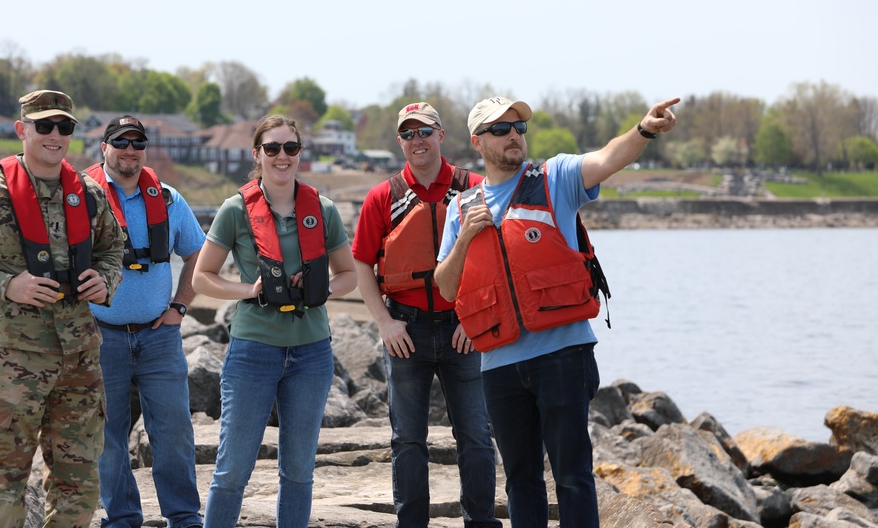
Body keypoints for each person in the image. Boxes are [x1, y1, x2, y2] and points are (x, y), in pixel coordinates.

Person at [434, 96, 679, 527]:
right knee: (521, 481)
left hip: (563, 356)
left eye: (519, 128)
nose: (514, 135)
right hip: (500, 365)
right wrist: (464, 239)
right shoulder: (460, 208)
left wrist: (643, 130)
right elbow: (446, 286)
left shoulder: (555, 177)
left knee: (571, 476)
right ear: (478, 142)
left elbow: (607, 158)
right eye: (500, 129)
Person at [0, 90, 125, 528]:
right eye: (44, 126)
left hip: (79, 359)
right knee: (5, 479)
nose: (55, 135)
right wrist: (5, 284)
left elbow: (114, 249)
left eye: (65, 127)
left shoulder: (90, 193)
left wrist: (105, 279)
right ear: (22, 130)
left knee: (78, 482)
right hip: (14, 356)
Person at [191, 114, 358, 528]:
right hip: (253, 350)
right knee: (232, 470)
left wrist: (318, 290)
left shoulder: (324, 209)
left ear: (300, 153)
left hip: (312, 353)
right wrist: (252, 288)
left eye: (291, 148)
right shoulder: (234, 210)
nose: (282, 156)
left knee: (299, 472)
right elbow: (201, 278)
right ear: (257, 154)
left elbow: (350, 275)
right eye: (272, 148)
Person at [352, 102, 501, 528]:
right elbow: (362, 263)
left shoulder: (473, 188)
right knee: (407, 441)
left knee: (475, 437)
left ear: (441, 135)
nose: (417, 141)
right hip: (406, 332)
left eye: (424, 132)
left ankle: (481, 522)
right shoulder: (383, 196)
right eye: (408, 134)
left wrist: (476, 320)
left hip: (463, 332)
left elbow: (494, 260)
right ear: (400, 142)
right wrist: (384, 323)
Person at [85, 115, 206, 528]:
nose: (130, 150)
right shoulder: (82, 197)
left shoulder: (170, 199)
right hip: (102, 338)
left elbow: (198, 255)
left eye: (138, 143)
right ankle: (122, 518)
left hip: (159, 338)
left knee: (174, 433)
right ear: (104, 148)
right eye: (120, 142)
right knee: (107, 436)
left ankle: (184, 516)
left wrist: (181, 306)